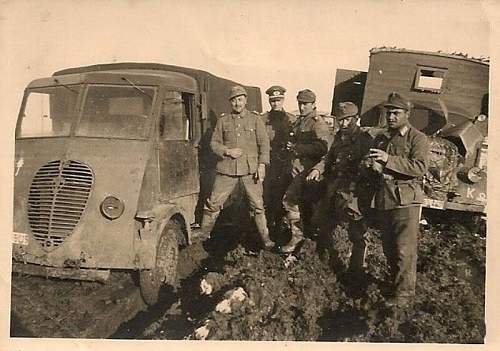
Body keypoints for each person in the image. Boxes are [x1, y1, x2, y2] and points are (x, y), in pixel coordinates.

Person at [367, 92, 429, 309]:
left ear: (407, 114)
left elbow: (420, 167)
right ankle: (395, 285)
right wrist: (373, 165)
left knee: (404, 249)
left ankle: (404, 295)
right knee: (389, 248)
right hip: (386, 199)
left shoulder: (417, 138)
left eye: (395, 113)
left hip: (406, 201)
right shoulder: (382, 137)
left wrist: (388, 159)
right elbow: (376, 163)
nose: (391, 117)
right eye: (388, 113)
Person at [199, 85, 273, 250]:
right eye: (234, 100)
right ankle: (203, 236)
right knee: (213, 203)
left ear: (245, 100)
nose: (237, 103)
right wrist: (227, 151)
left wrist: (262, 165)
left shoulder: (255, 120)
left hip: (250, 170)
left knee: (258, 205)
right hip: (227, 169)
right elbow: (214, 143)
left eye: (240, 100)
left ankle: (266, 239)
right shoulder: (223, 121)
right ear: (230, 103)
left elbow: (264, 144)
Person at [307, 102, 372, 274]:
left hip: (353, 190)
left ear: (356, 119)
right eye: (340, 120)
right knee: (322, 221)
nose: (343, 124)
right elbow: (329, 158)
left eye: (347, 120)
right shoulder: (338, 137)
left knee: (356, 230)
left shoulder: (364, 140)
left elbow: (368, 166)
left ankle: (357, 269)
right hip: (335, 185)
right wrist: (317, 168)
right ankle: (322, 260)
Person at [281, 89, 330, 253]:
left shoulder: (318, 123)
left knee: (290, 201)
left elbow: (323, 148)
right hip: (297, 170)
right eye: (300, 103)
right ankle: (304, 238)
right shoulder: (301, 121)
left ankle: (299, 237)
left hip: (309, 172)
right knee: (303, 205)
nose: (302, 107)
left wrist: (298, 148)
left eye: (305, 104)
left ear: (313, 104)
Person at [261, 85, 297, 236]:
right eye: (273, 101)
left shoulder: (292, 119)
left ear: (283, 100)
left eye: (278, 100)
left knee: (284, 197)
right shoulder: (262, 120)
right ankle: (267, 229)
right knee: (267, 196)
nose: (275, 103)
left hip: (285, 165)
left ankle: (283, 230)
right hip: (269, 164)